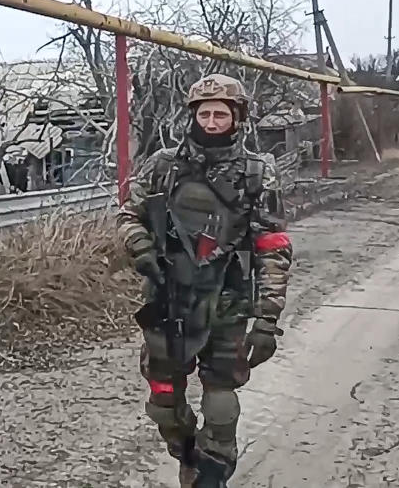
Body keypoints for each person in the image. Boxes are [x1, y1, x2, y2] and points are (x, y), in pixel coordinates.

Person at [117, 74, 293, 487]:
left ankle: (213, 469)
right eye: (204, 113)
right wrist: (140, 247)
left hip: (227, 302)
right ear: (192, 116)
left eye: (221, 114)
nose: (212, 122)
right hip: (167, 299)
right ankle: (187, 450)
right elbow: (128, 215)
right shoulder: (163, 166)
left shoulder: (256, 172)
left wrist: (268, 320)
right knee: (164, 400)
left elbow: (273, 247)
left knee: (220, 396)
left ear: (238, 119)